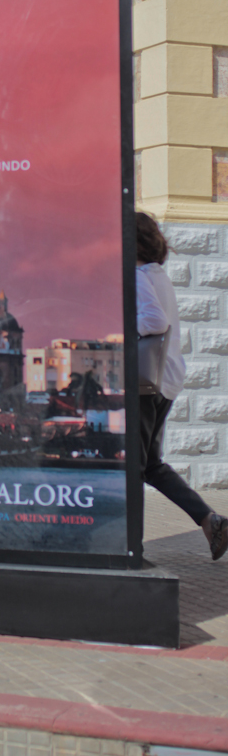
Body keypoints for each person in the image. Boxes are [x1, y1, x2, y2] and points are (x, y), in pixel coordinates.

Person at [137, 212, 228, 561]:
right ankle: (210, 521)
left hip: (146, 382)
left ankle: (131, 551)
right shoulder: (157, 275)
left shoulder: (138, 275)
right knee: (150, 465)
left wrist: (122, 327)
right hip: (166, 380)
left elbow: (154, 321)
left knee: (134, 466)